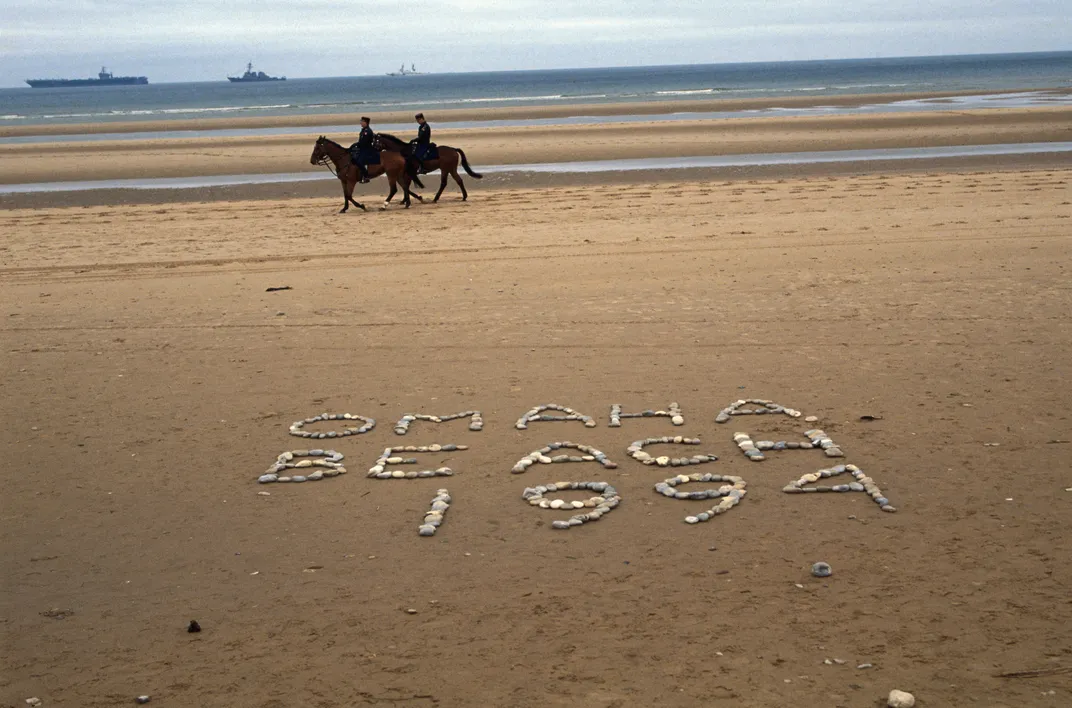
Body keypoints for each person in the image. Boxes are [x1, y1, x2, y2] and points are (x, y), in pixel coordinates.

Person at [355, 117, 375, 183]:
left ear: (365, 122)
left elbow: (364, 142)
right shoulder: (364, 130)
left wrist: (358, 145)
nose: (360, 122)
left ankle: (366, 176)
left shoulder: (367, 131)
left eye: (361, 121)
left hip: (367, 149)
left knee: (360, 162)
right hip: (363, 148)